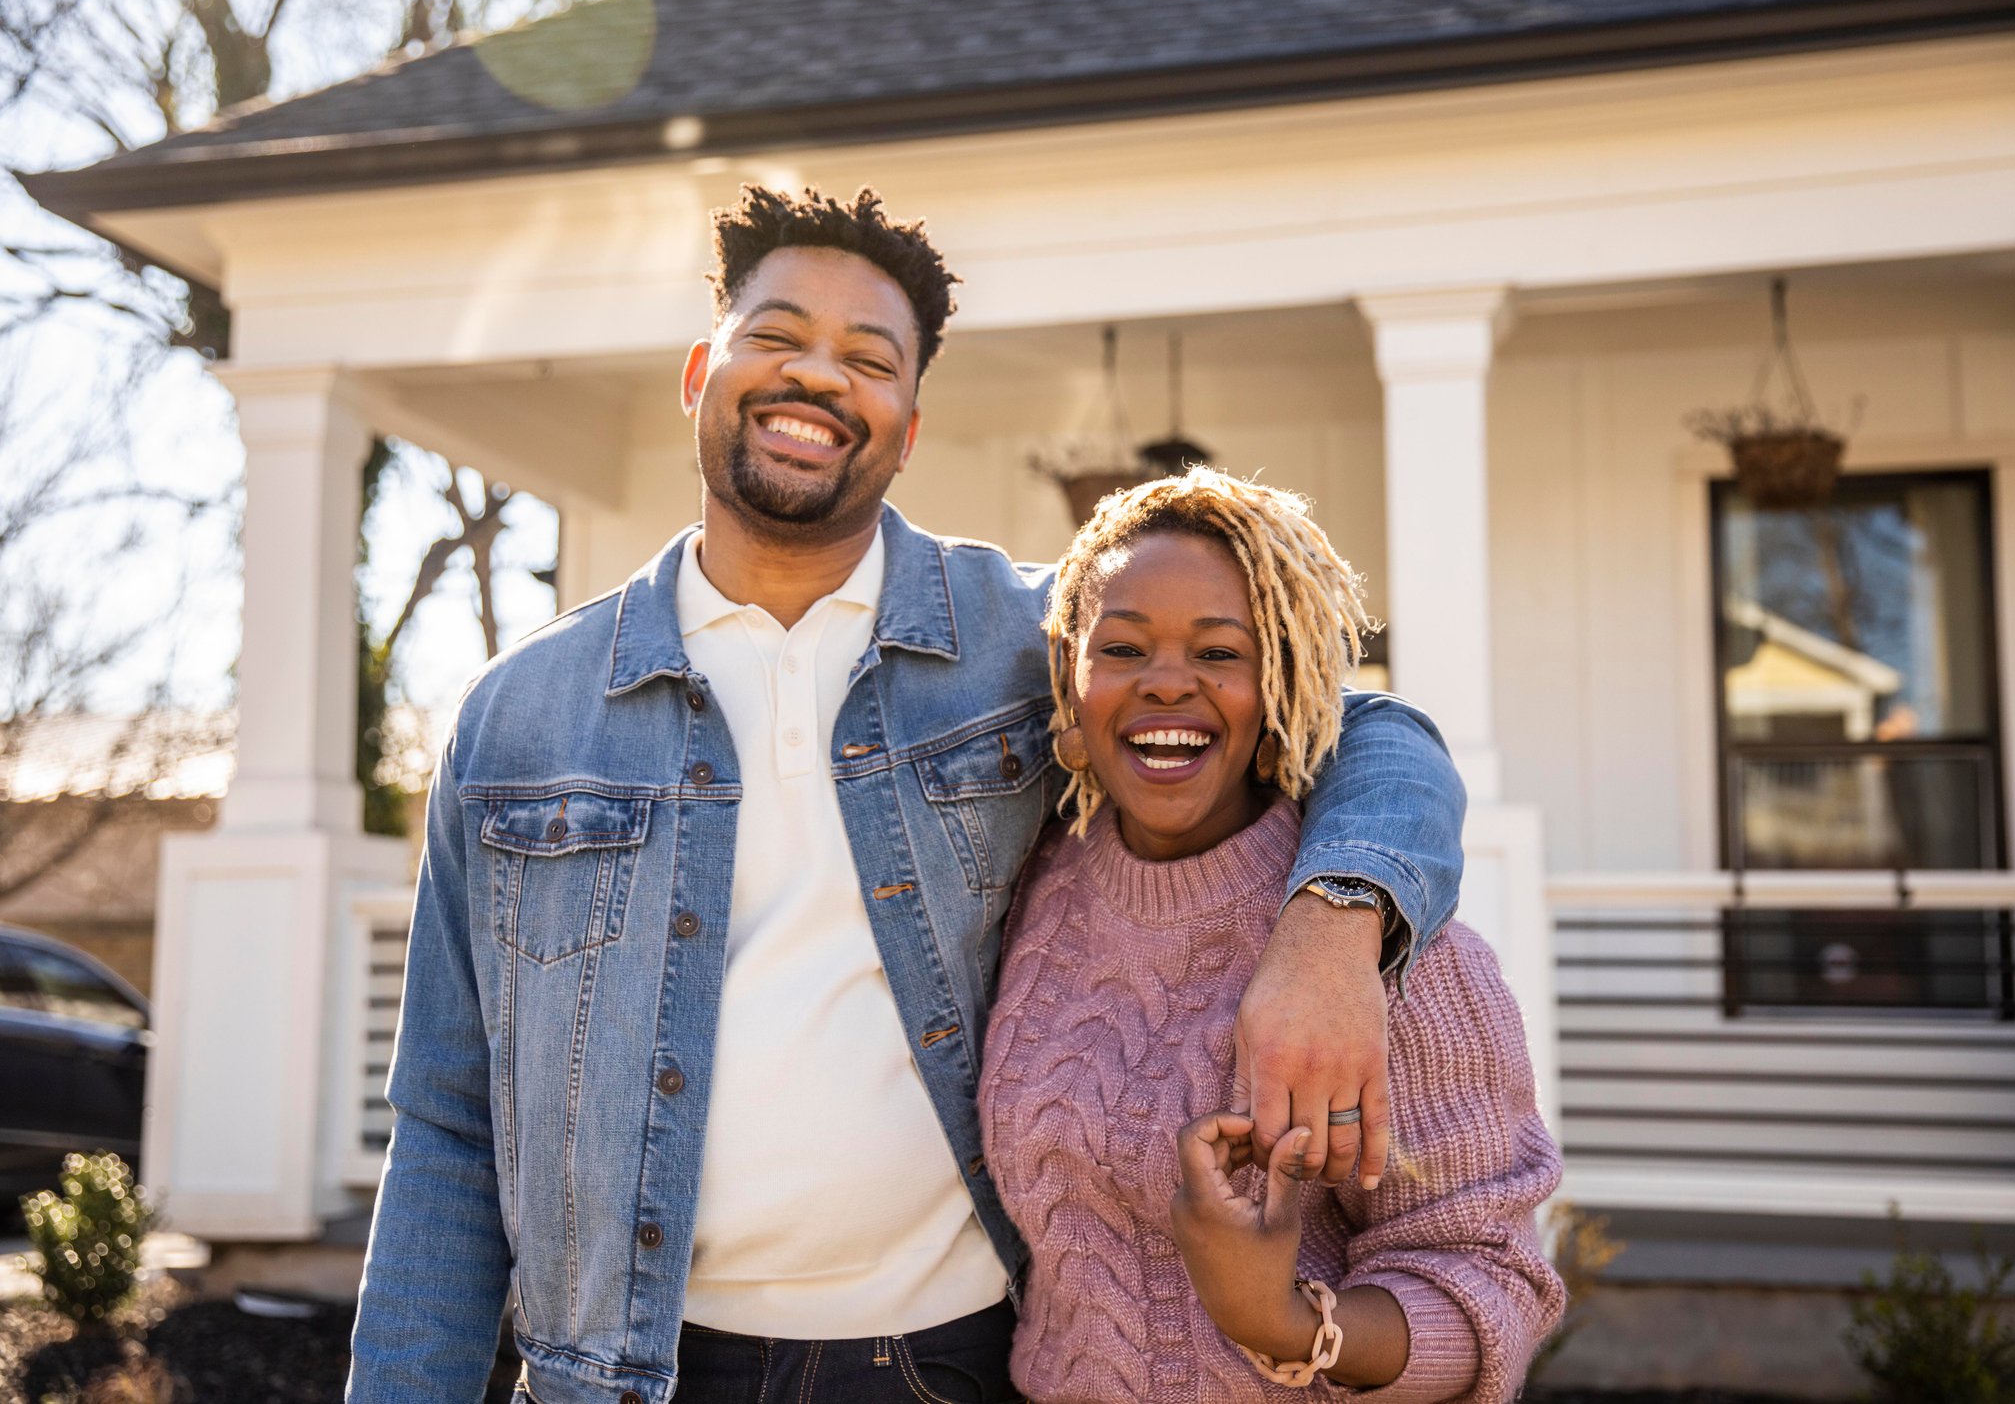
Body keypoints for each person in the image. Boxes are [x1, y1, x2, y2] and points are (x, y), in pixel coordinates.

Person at [346, 185, 1469, 1404]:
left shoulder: (1025, 640)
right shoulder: (520, 716)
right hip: (618, 1377)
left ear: (909, 424)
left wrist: (1336, 925)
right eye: (775, 337)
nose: (816, 378)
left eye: (868, 359)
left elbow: (1364, 727)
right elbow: (451, 1134)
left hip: (946, 1363)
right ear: (698, 374)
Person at [981, 469, 1563, 1402]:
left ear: (1281, 682)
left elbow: (1493, 1283)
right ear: (1070, 678)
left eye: (1220, 654)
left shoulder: (1389, 949)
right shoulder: (1031, 881)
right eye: (1122, 647)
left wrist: (1280, 1321)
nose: (1168, 681)